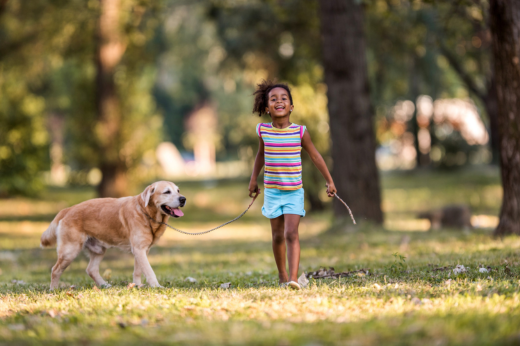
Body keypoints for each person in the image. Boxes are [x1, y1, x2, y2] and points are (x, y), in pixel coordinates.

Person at [248, 80, 337, 290]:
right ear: (267, 107)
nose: (279, 101)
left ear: (291, 106)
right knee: (277, 235)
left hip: (294, 192)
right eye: (273, 99)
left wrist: (329, 180)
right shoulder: (263, 131)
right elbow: (261, 155)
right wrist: (253, 179)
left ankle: (293, 279)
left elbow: (315, 156)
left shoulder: (300, 132)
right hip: (272, 191)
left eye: (284, 98)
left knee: (291, 233)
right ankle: (282, 275)